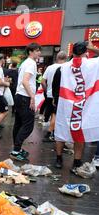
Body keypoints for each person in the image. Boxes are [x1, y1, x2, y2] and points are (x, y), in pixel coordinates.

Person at [53, 41, 99, 174]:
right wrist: (93, 48)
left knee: (61, 131)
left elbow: (56, 85)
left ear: (72, 53)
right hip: (83, 106)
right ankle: (76, 161)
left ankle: (59, 159)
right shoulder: (93, 64)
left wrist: (56, 100)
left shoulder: (63, 67)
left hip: (65, 104)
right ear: (86, 52)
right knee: (79, 132)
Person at [11, 43, 42, 162]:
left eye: (39, 51)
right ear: (30, 52)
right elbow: (25, 81)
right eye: (37, 51)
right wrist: (32, 97)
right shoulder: (31, 63)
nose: (39, 53)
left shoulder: (25, 63)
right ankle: (16, 150)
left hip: (20, 96)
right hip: (25, 97)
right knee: (28, 125)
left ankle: (16, 149)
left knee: (19, 124)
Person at [41, 51, 68, 143]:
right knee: (56, 115)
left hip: (50, 95)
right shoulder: (67, 67)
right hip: (61, 95)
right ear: (66, 58)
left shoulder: (50, 67)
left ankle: (52, 133)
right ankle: (50, 134)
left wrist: (46, 90)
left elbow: (42, 81)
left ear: (57, 57)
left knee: (53, 114)